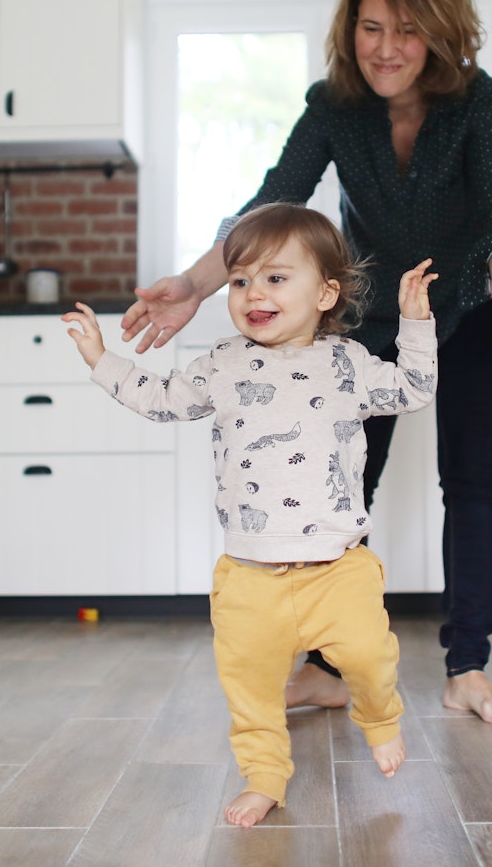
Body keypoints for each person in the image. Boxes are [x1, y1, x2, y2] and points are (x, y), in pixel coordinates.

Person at [121, 0, 492, 724]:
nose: (388, 49)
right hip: (374, 317)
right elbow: (271, 203)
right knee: (340, 481)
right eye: (372, 26)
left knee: (472, 479)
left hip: (475, 307)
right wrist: (191, 284)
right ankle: (324, 666)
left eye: (410, 29)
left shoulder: (476, 101)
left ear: (442, 30)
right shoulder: (333, 109)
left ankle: (467, 668)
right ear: (350, 28)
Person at [64, 203, 438, 827]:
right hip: (249, 575)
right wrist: (103, 360)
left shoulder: (347, 363)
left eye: (274, 278)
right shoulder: (223, 363)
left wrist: (414, 322)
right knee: (251, 690)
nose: (251, 293)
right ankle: (264, 777)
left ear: (325, 293)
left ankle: (380, 719)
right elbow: (162, 401)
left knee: (372, 659)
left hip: (337, 570)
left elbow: (414, 390)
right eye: (239, 281)